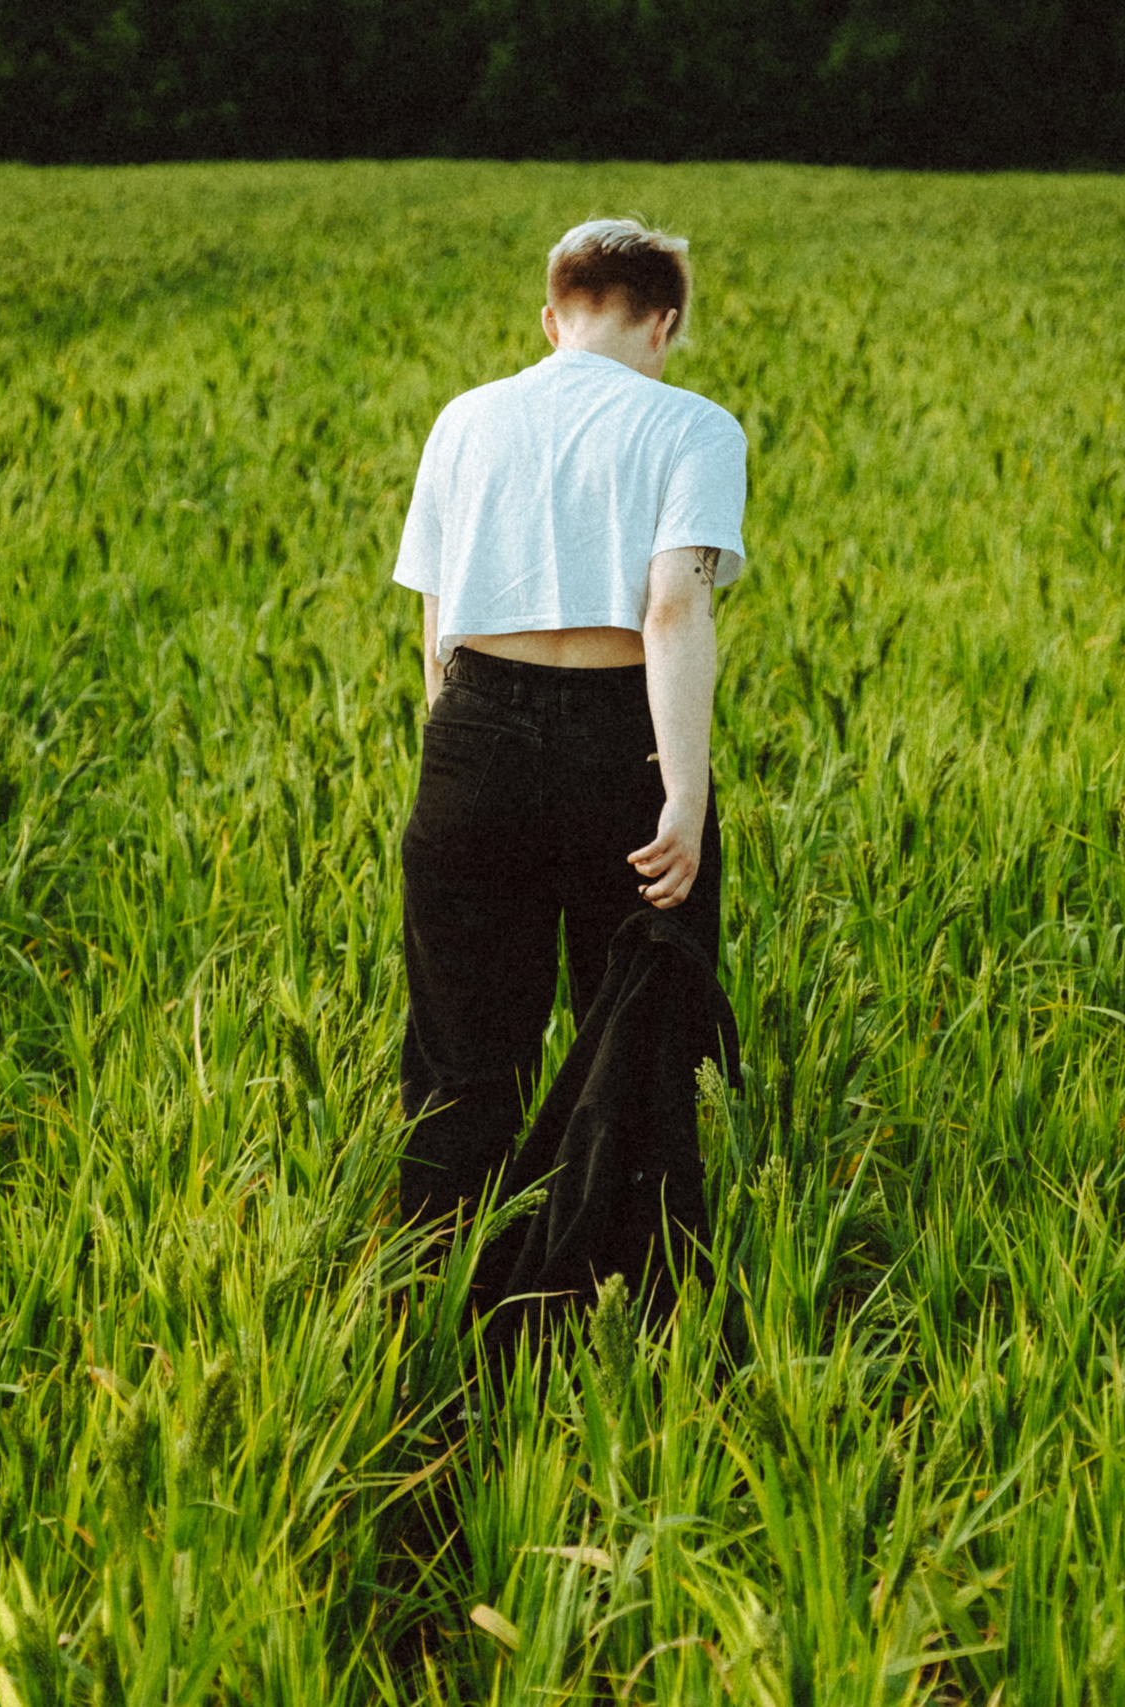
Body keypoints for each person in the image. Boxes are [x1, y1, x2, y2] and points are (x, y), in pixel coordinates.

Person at [393, 216, 749, 1232]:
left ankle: (441, 1300)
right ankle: (616, 1309)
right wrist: (683, 790)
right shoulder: (692, 427)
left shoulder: (466, 418)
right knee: (631, 1039)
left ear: (552, 318)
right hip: (618, 745)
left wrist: (460, 747)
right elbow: (675, 606)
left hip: (470, 734)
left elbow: (435, 619)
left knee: (462, 1051)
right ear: (663, 325)